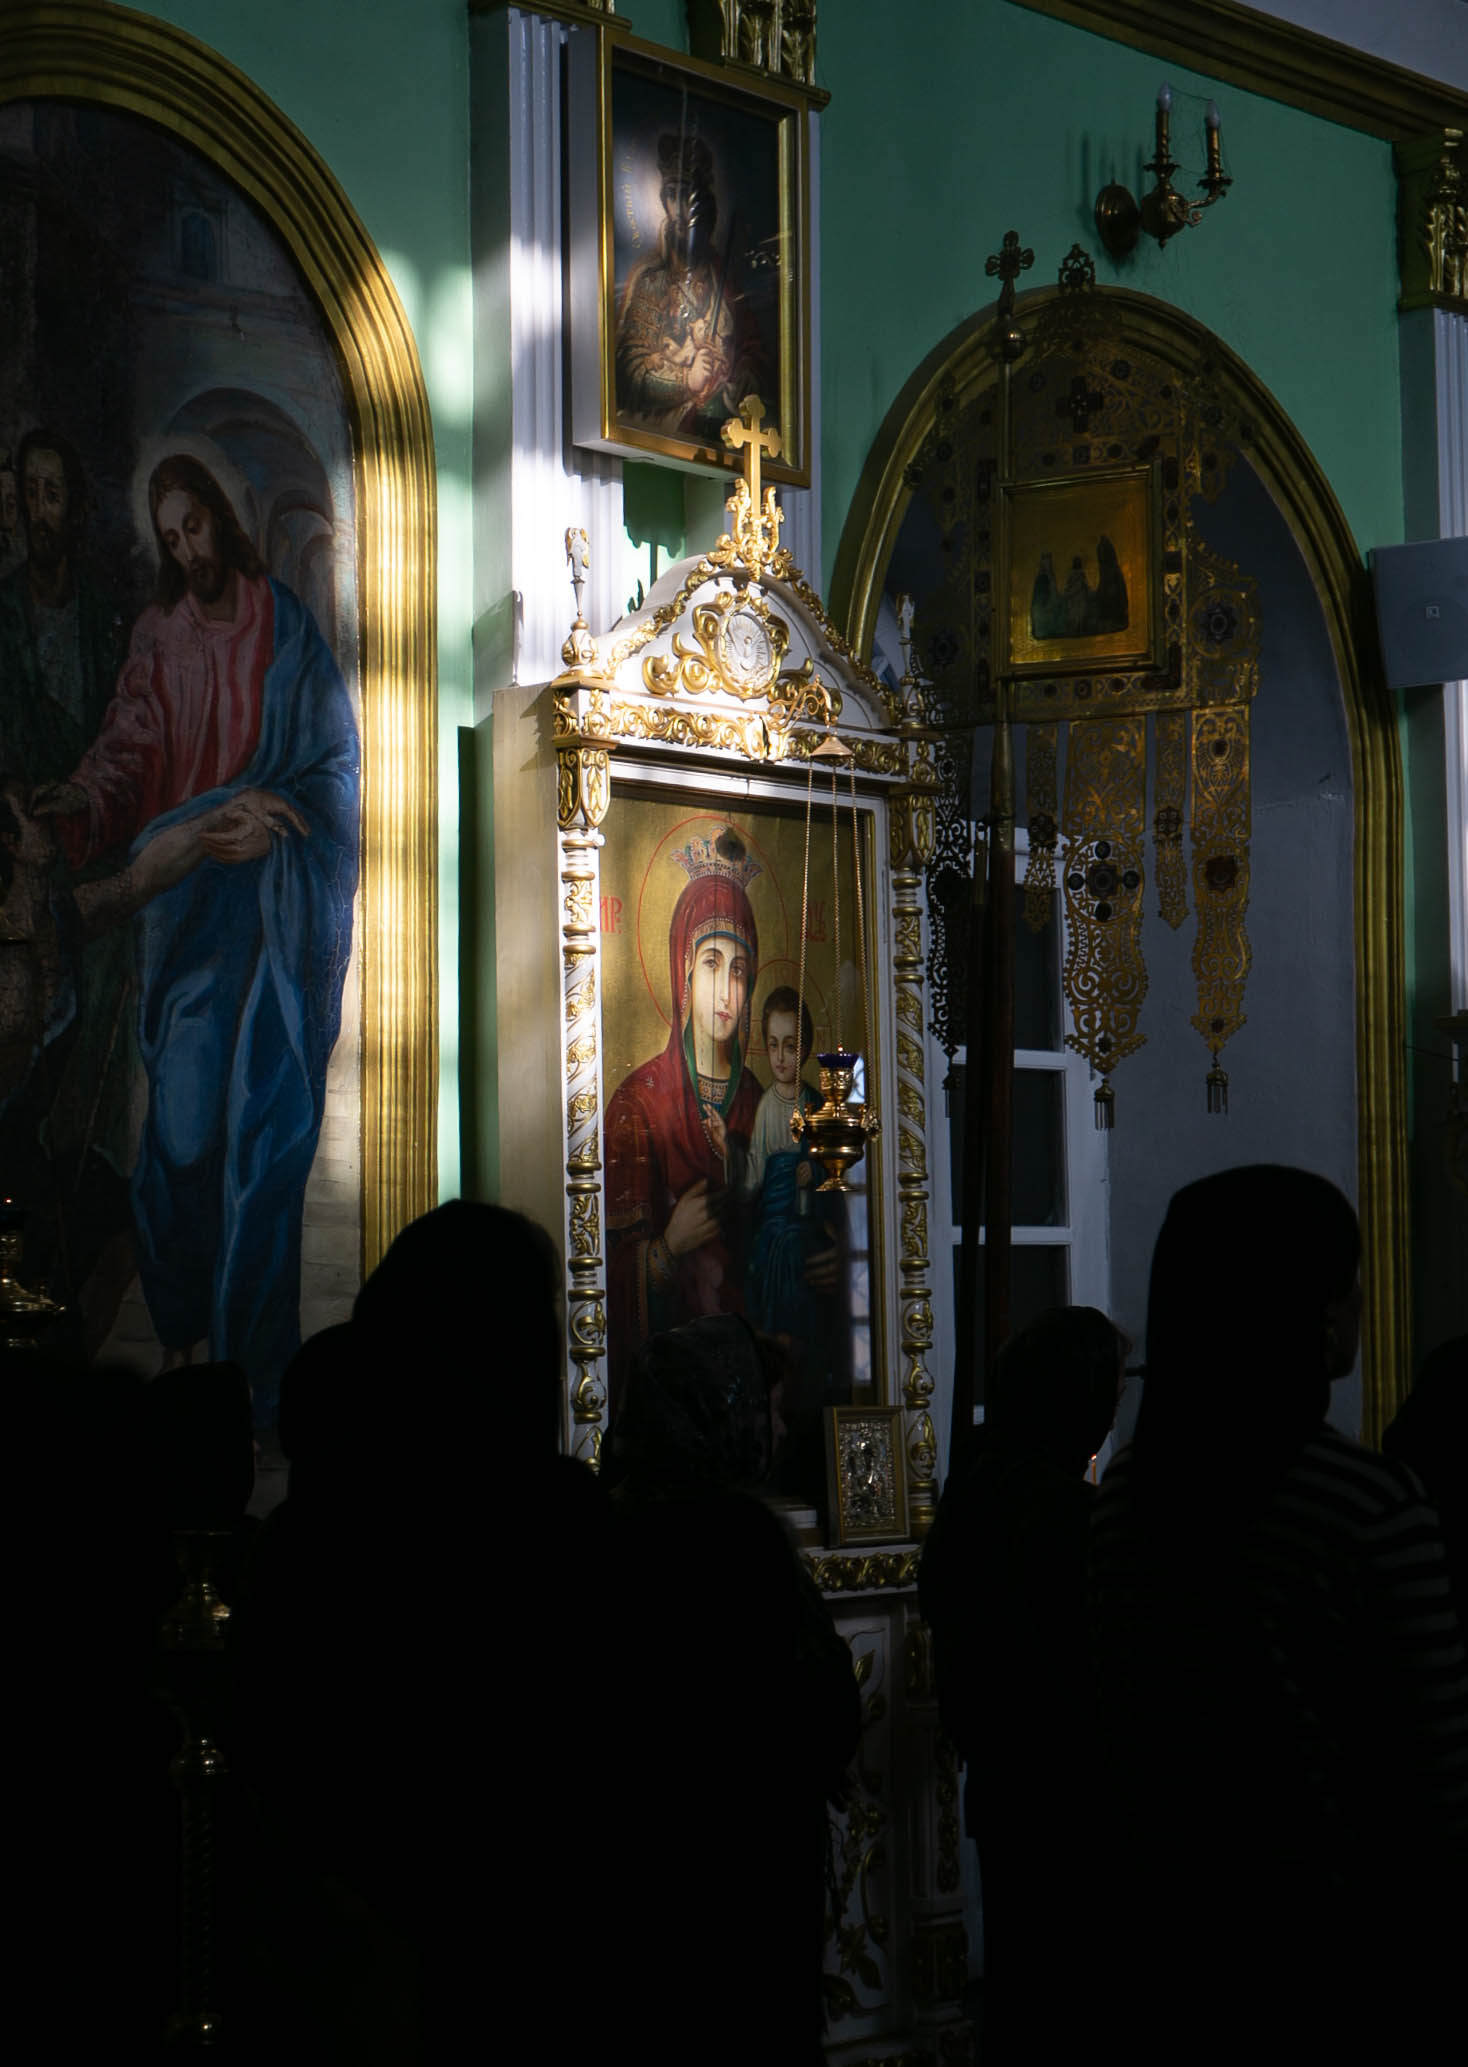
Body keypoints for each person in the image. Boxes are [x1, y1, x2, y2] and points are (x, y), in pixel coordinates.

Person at [1090, 1166, 1468, 2061]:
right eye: (1347, 1282)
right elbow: (1437, 1797)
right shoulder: (1366, 1506)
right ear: (1313, 1313)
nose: (1360, 1304)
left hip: (1166, 1954)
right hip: (1331, 1968)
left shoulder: (1126, 1493)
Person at [34, 451, 358, 1406]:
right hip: (185, 916)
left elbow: (335, 766)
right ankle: (182, 1328)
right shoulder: (160, 636)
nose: (187, 550)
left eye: (195, 526)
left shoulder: (283, 626)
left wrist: (279, 818)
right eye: (171, 538)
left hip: (271, 912)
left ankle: (243, 1375)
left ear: (220, 515)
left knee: (263, 1133)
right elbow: (128, 748)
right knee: (178, 1137)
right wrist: (83, 801)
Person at [601, 1313, 861, 2065]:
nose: (777, 1429)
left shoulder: (606, 1528)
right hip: (736, 1903)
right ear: (724, 1415)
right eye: (766, 1409)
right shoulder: (733, 1548)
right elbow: (814, 1713)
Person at [918, 1305, 1126, 2063]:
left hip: (1005, 1786)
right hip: (1071, 1798)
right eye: (1108, 1397)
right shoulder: (1069, 1515)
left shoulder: (980, 1487)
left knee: (1022, 1993)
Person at [605, 824, 761, 1413]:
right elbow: (602, 1276)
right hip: (672, 1393)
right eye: (712, 963)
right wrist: (667, 1248)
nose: (726, 991)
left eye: (740, 971)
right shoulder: (639, 1103)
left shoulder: (762, 1103)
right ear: (683, 971)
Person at [614, 133, 767, 442]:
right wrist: (688, 379)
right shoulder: (653, 278)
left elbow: (751, 347)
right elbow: (630, 373)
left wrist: (743, 376)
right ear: (664, 203)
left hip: (722, 422)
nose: (683, 210)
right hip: (670, 424)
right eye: (673, 196)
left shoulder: (722, 278)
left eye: (689, 196)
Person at [0, 427, 126, 786]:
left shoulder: (105, 618)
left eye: (52, 495)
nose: (39, 512)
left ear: (74, 508)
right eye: (30, 493)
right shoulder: (5, 610)